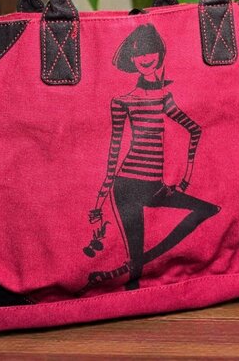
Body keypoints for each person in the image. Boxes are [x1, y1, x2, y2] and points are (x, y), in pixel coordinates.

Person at [83, 24, 220, 292]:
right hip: (126, 185)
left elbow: (195, 129)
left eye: (150, 50)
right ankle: (128, 276)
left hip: (156, 186)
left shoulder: (164, 97)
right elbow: (114, 152)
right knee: (135, 274)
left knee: (207, 209)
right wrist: (100, 201)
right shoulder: (123, 101)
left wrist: (186, 177)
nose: (145, 58)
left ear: (159, 53)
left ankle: (122, 270)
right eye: (138, 54)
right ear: (131, 60)